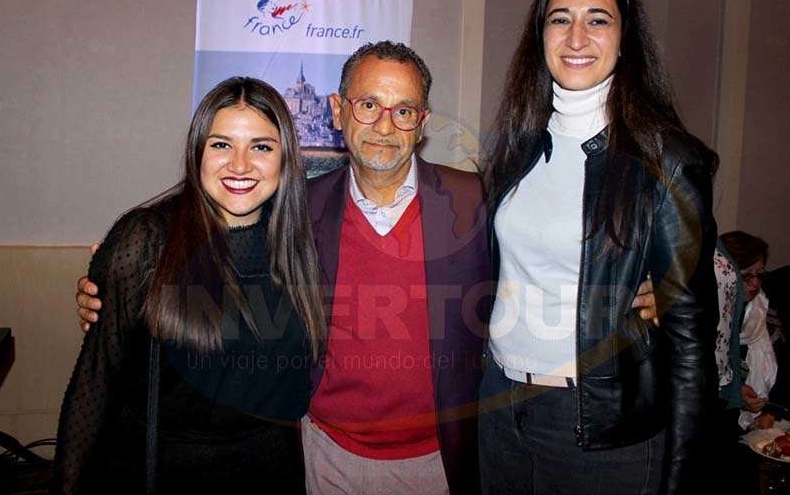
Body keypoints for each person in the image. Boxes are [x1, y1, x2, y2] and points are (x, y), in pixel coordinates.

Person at [74, 41, 658, 494]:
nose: (384, 125)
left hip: (439, 459)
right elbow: (212, 240)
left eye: (403, 110)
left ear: (424, 120)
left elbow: (552, 245)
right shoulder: (296, 207)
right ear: (338, 111)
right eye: (369, 105)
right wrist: (121, 283)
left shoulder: (476, 200)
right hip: (320, 454)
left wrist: (649, 281)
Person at [479, 0, 718, 495]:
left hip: (599, 425)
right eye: (560, 19)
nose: (577, 36)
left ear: (624, 37)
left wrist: (684, 473)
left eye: (598, 20)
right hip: (500, 406)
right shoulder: (516, 148)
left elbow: (690, 341)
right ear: (540, 36)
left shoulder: (666, 159)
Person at [52, 77, 325, 494]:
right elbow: (94, 383)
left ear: (285, 159)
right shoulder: (146, 239)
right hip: (159, 473)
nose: (239, 164)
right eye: (221, 145)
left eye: (261, 146)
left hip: (270, 472)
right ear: (197, 151)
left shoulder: (301, 245)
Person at [720, 231, 778, 430]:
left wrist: (768, 412)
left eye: (759, 275)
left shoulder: (758, 312)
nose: (754, 284)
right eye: (746, 276)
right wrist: (734, 392)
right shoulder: (715, 313)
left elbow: (775, 372)